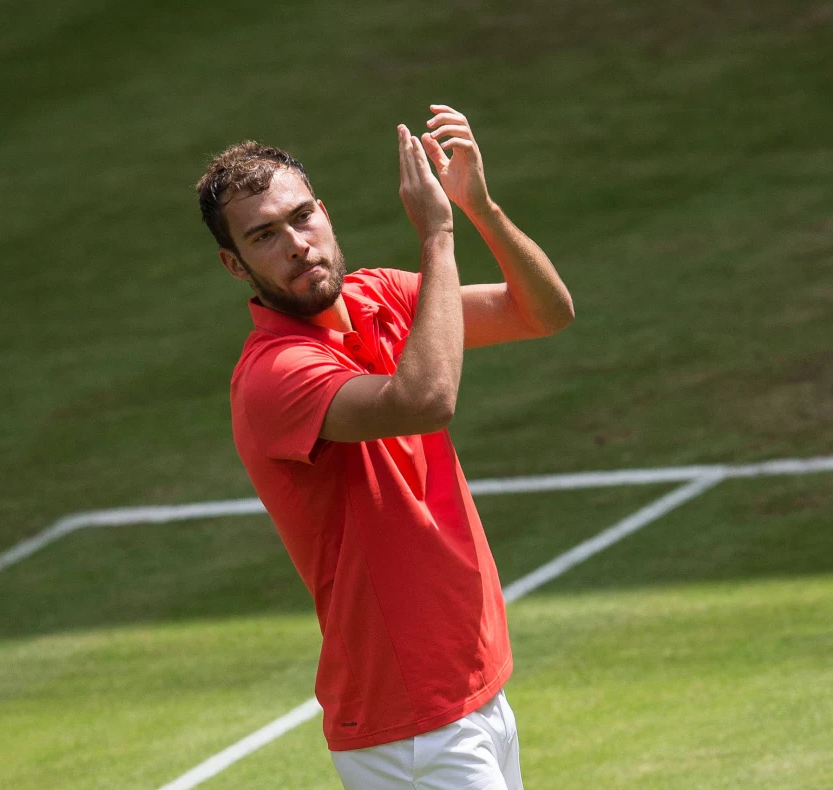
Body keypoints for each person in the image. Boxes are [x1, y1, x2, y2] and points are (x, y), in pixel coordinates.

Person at [195, 104, 574, 790]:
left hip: (472, 690)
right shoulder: (273, 376)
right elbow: (424, 400)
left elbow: (543, 312)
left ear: (326, 212)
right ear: (234, 263)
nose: (297, 244)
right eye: (264, 236)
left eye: (302, 217)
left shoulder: (384, 298)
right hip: (410, 728)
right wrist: (437, 234)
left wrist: (479, 206)